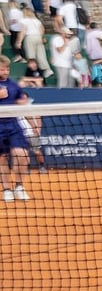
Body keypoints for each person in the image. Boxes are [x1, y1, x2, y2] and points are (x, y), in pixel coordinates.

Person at [0, 55, 32, 202]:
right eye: (2, 69)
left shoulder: (13, 85)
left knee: (23, 155)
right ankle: (7, 189)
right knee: (3, 158)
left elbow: (21, 100)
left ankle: (19, 186)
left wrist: (22, 102)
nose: (5, 71)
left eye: (7, 68)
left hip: (13, 124)